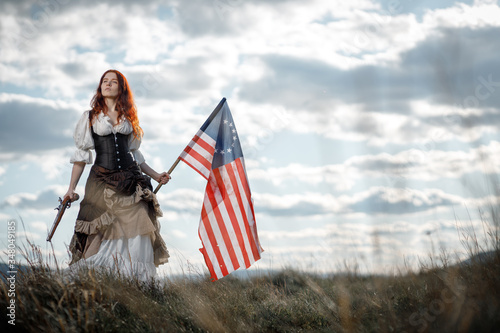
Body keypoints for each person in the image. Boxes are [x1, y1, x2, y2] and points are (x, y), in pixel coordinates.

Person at [64, 69, 170, 280]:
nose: (108, 84)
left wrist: (157, 176)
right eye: (105, 81)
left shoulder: (128, 118)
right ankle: (101, 277)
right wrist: (71, 189)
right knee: (103, 229)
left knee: (141, 221)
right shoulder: (90, 117)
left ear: (121, 88)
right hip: (101, 181)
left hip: (131, 179)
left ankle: (137, 279)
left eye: (113, 82)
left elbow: (136, 155)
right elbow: (81, 157)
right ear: (100, 86)